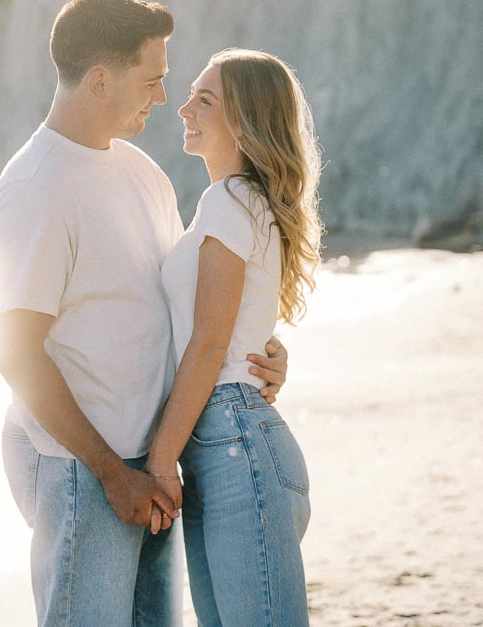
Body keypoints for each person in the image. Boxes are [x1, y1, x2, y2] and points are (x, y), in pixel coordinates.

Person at [0, 0, 289, 626]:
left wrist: (252, 351)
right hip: (83, 469)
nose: (162, 98)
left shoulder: (143, 174)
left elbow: (183, 304)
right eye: (150, 81)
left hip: (150, 467)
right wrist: (109, 472)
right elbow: (15, 353)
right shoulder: (36, 188)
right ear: (100, 81)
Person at [143, 48, 321, 626]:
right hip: (230, 442)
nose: (184, 109)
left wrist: (159, 459)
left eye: (205, 100)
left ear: (242, 122)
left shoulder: (228, 200)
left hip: (234, 440)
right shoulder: (237, 204)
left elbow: (210, 344)